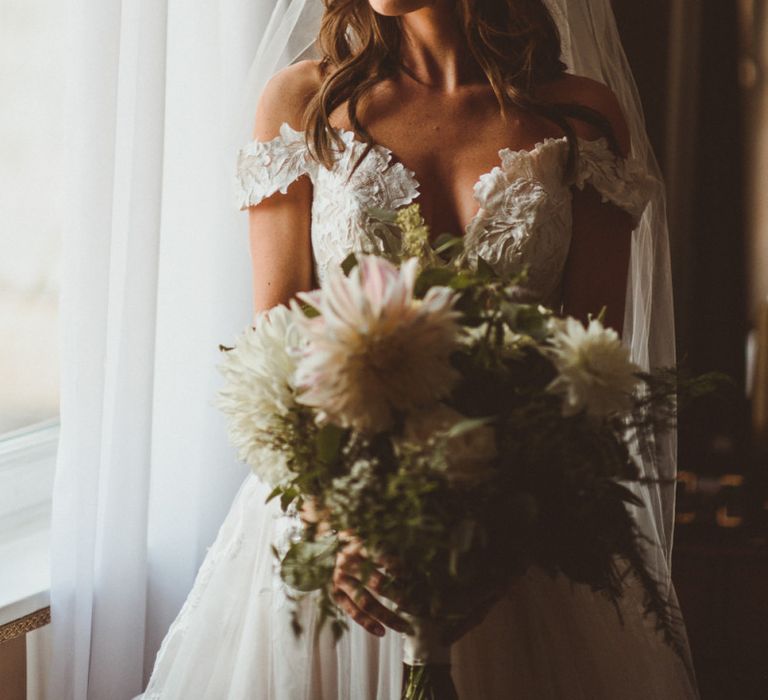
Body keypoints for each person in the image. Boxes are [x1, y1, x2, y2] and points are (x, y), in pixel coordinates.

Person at [140, 1, 698, 697]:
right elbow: (274, 346)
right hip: (338, 543)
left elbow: (591, 369)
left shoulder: (581, 116)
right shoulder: (305, 100)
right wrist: (336, 526)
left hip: (519, 540)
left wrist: (502, 541)